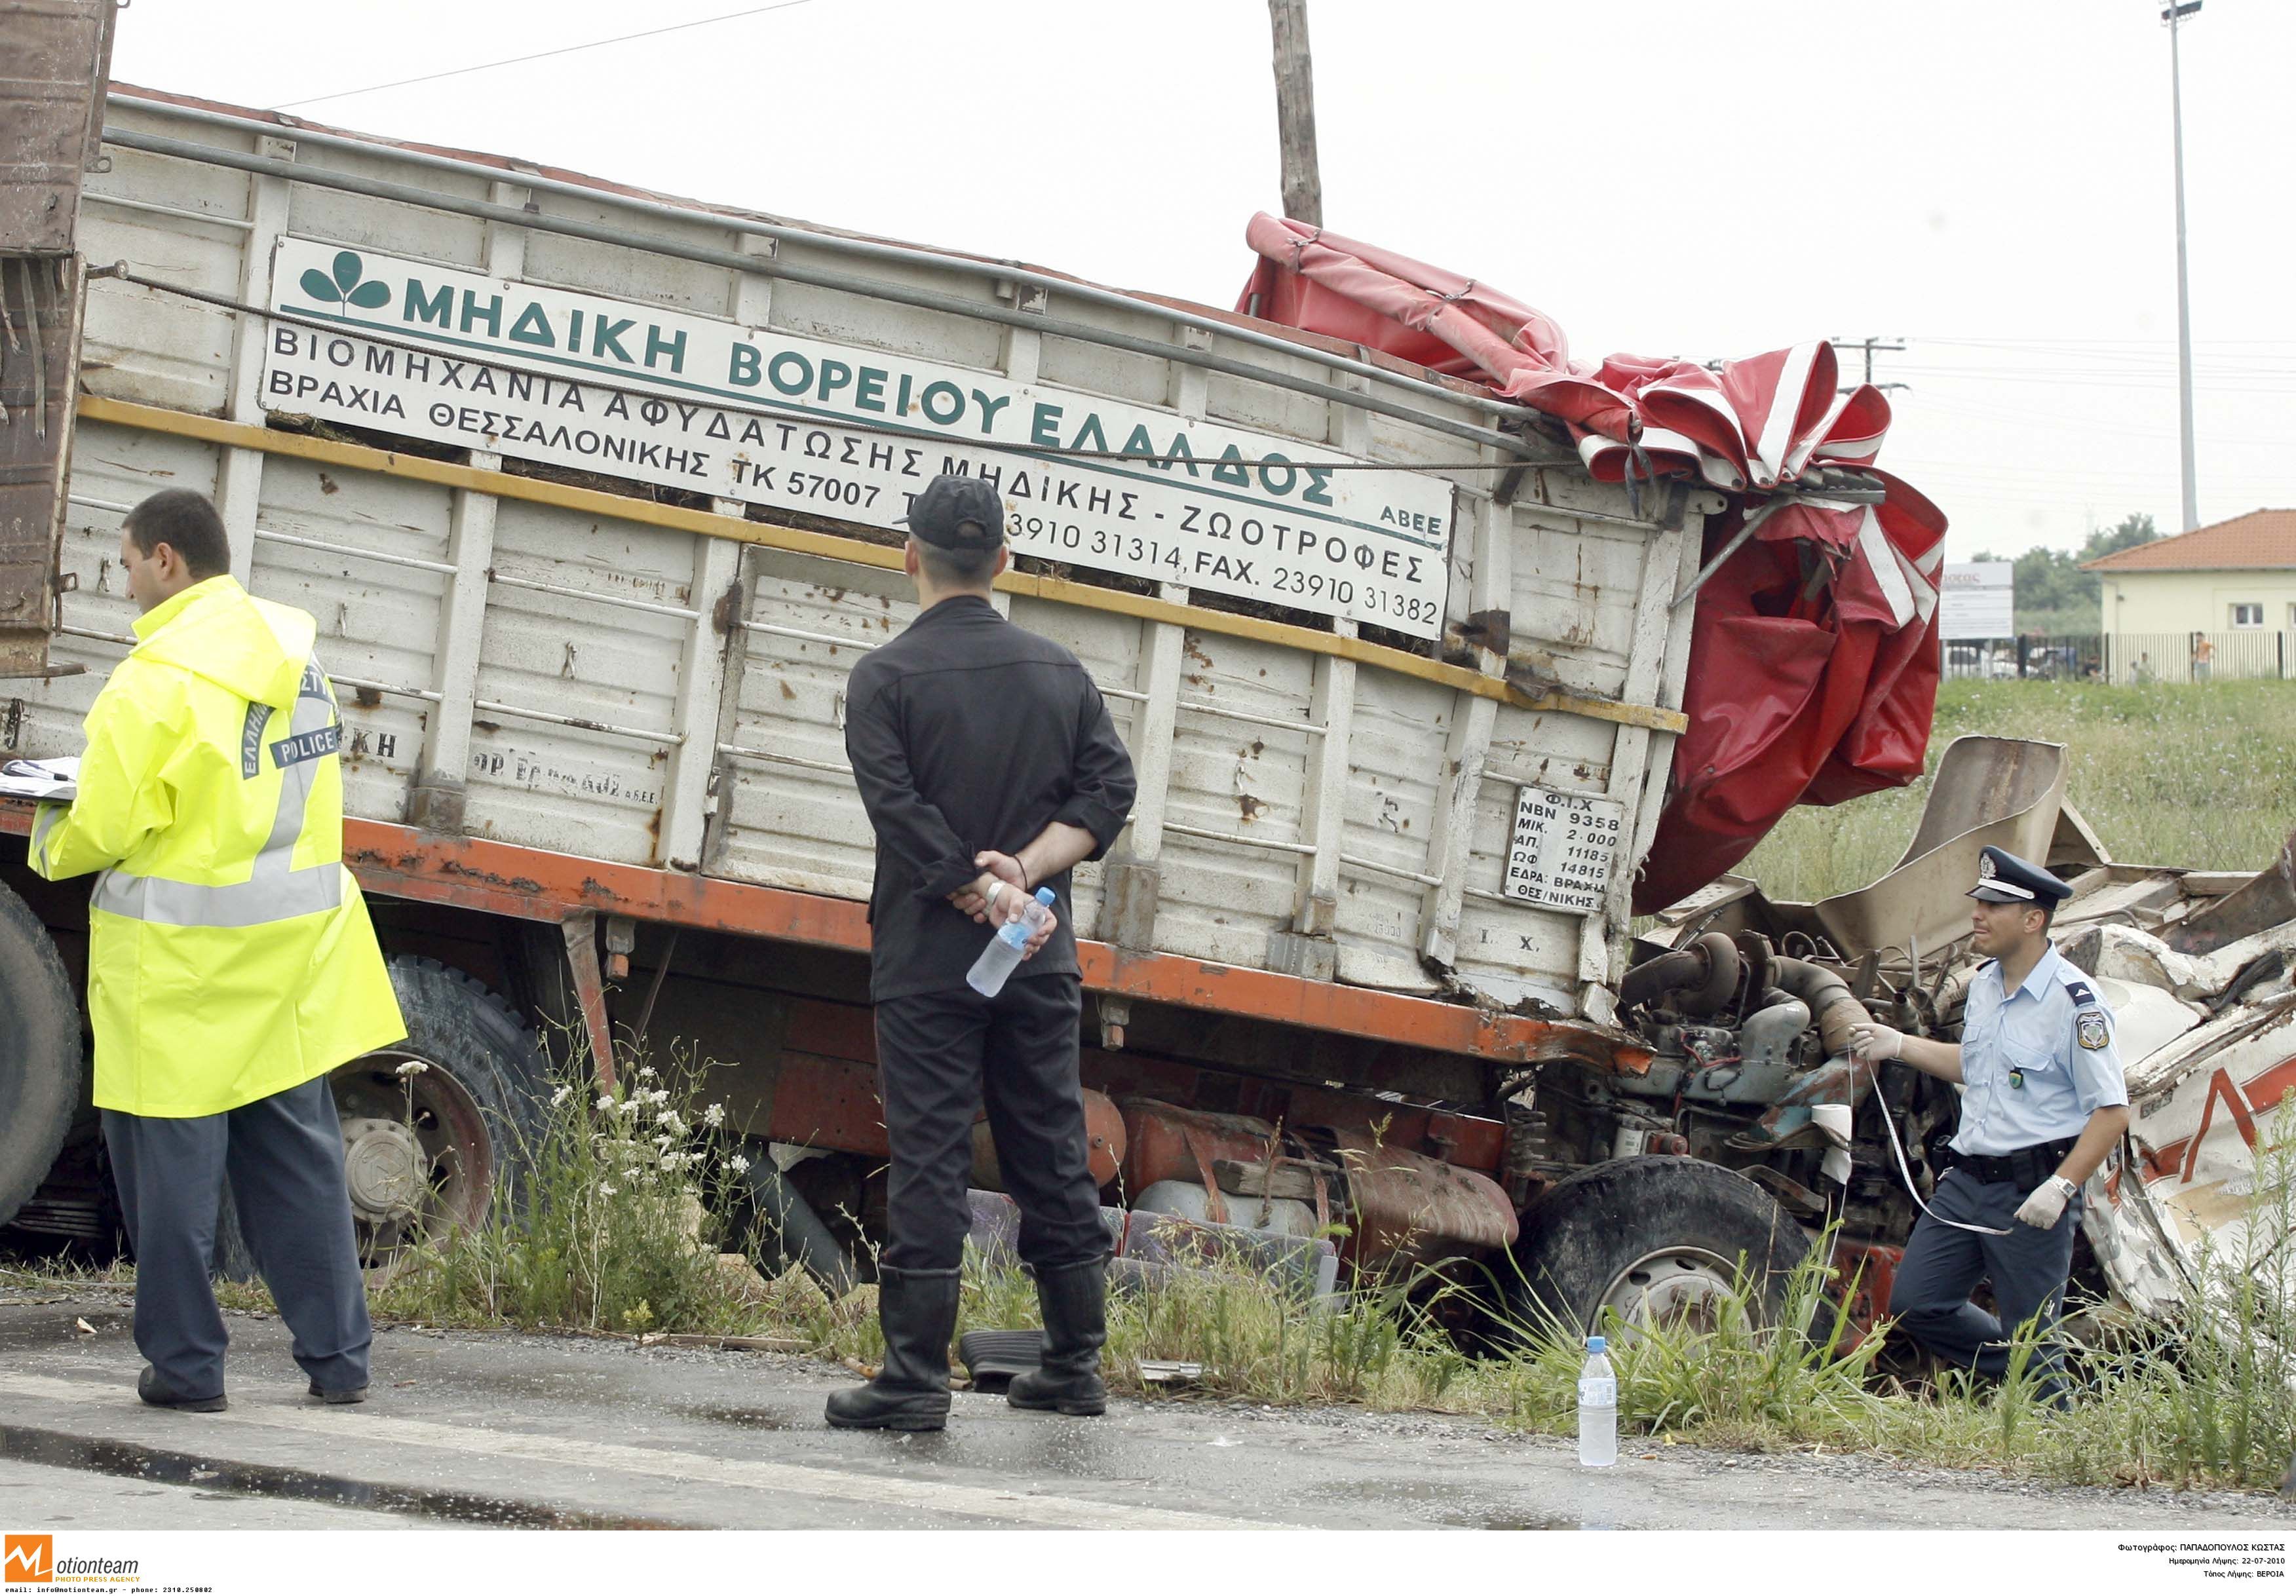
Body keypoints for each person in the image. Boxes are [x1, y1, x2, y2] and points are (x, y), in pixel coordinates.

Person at [28, 489, 405, 1412]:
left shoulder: (152, 681)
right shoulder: (295, 657)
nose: (124, 585)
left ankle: (188, 1369)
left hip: (181, 975)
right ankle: (338, 1360)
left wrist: (47, 834)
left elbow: (105, 826)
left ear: (167, 560)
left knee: (170, 1187)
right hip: (286, 964)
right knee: (298, 1168)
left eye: (124, 564)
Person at [828, 473, 1137, 1432]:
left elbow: (905, 820)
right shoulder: (1061, 674)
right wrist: (1028, 876)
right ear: (1004, 560)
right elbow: (1109, 789)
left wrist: (987, 888)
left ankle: (914, 1381)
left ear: (909, 554)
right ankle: (1075, 1367)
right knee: (1050, 1146)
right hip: (1038, 958)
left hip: (928, 962)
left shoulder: (883, 680)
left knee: (929, 1159)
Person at [1848, 846, 2129, 1407]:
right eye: (1979, 901)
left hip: (2032, 1191)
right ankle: (2021, 1376)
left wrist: (2062, 1187)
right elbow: (1975, 1068)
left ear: (2033, 920)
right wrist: (1900, 1044)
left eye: (1995, 905)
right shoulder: (1984, 985)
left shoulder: (2075, 1004)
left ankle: (2057, 1432)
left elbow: (2113, 1112)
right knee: (1917, 1301)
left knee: (2032, 1336)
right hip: (1967, 1182)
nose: (1978, 913)